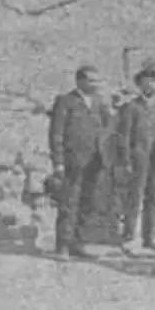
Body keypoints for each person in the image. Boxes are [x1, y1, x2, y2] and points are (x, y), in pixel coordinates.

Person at [48, 65, 114, 261]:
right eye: (92, 81)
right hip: (72, 161)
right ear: (80, 81)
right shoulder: (65, 102)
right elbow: (56, 134)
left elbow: (107, 128)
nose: (96, 85)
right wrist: (58, 161)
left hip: (94, 161)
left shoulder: (98, 102)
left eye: (98, 81)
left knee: (88, 203)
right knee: (69, 202)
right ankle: (63, 246)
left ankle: (79, 242)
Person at [117, 63, 155, 252]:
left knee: (152, 197)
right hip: (138, 158)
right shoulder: (132, 108)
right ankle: (129, 235)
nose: (150, 86)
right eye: (146, 82)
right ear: (140, 85)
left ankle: (149, 236)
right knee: (134, 197)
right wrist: (126, 160)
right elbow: (124, 136)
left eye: (154, 83)